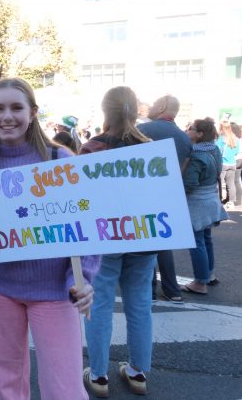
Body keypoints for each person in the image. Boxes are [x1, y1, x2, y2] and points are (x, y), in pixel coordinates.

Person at [0, 78, 97, 400]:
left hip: (56, 292)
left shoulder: (60, 160)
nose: (8, 116)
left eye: (17, 107)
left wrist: (83, 278)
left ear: (33, 112)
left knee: (64, 385)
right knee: (7, 379)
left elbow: (87, 227)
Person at [80, 86, 155, 397]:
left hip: (104, 236)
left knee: (99, 305)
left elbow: (82, 197)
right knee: (140, 305)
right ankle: (138, 372)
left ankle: (98, 375)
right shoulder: (149, 147)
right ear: (136, 110)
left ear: (104, 110)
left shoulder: (91, 148)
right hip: (143, 235)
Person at [138, 95, 191, 303]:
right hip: (168, 194)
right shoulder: (184, 137)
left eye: (153, 103)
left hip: (143, 194)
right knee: (163, 241)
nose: (149, 107)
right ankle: (172, 289)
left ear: (161, 107)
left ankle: (148, 288)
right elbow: (183, 169)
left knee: (144, 242)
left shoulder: (143, 130)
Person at [181, 118, 228, 294]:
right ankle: (209, 275)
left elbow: (190, 184)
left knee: (196, 242)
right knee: (206, 239)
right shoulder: (214, 149)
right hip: (211, 200)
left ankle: (200, 283)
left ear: (199, 134)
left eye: (190, 128)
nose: (187, 130)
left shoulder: (196, 155)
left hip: (198, 203)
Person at [216, 120, 240, 208]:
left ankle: (219, 201)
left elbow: (216, 150)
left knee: (219, 183)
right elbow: (236, 151)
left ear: (221, 128)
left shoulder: (221, 138)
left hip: (223, 163)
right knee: (231, 183)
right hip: (232, 163)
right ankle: (231, 202)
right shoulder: (235, 138)